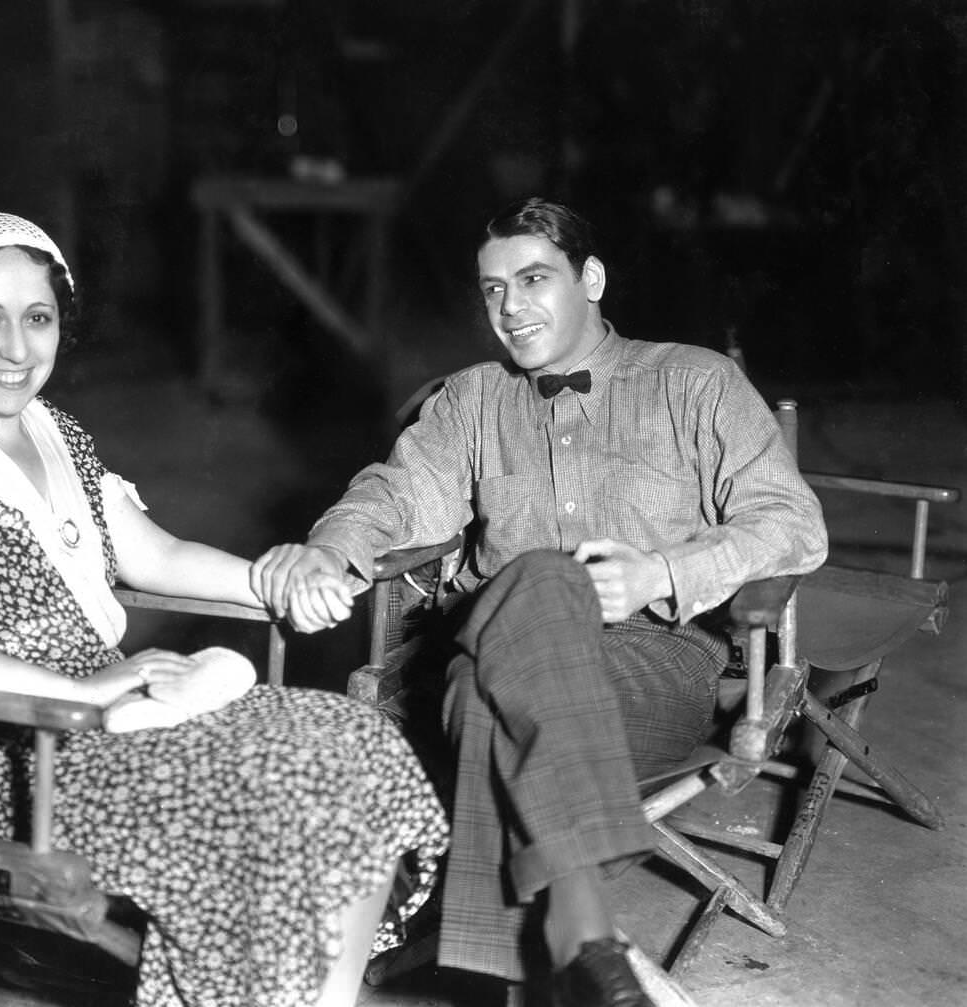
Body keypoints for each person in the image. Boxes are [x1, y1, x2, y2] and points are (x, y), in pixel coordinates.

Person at [0, 210, 448, 1007]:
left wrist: (278, 580)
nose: (17, 348)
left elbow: (156, 555)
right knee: (265, 784)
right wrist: (76, 691)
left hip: (111, 718)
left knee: (348, 739)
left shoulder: (58, 433)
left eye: (38, 318)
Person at [250, 196, 828, 1007]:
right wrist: (328, 548)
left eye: (532, 280)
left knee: (500, 665)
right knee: (533, 592)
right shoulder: (472, 401)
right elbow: (393, 494)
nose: (510, 307)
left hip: (648, 671)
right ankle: (581, 933)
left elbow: (794, 524)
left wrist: (661, 572)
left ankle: (555, 938)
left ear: (591, 279)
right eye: (492, 289)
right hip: (487, 650)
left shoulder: (694, 381)